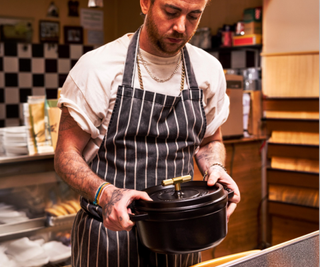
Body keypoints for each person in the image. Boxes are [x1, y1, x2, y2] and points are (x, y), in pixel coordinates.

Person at [54, 0, 240, 266]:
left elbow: (209, 141)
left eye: (194, 16)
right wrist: (107, 194)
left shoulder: (208, 70)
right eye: (171, 12)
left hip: (182, 237)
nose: (181, 27)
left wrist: (216, 168)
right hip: (109, 239)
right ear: (145, 3)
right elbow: (65, 155)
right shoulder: (96, 68)